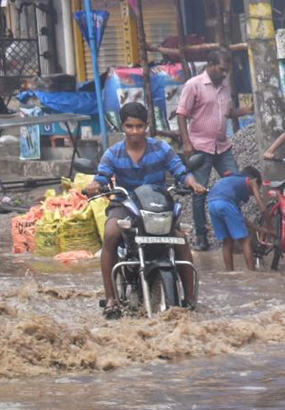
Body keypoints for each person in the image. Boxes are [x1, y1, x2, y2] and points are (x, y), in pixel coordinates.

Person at [85, 101, 206, 318]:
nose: (135, 131)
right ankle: (111, 299)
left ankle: (190, 300)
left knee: (181, 240)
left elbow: (180, 170)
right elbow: (102, 175)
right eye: (130, 126)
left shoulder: (162, 148)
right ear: (122, 127)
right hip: (126, 205)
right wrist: (96, 185)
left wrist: (192, 182)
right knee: (111, 234)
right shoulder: (113, 153)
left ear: (147, 126)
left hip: (158, 207)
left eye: (139, 126)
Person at [176, 50, 251, 251]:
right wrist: (186, 142)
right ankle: (201, 236)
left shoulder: (225, 87)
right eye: (221, 69)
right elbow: (181, 114)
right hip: (200, 146)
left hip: (222, 146)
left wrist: (244, 111)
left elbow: (227, 113)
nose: (224, 74)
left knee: (237, 184)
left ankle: (236, 233)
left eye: (226, 71)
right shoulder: (194, 85)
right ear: (210, 65)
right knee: (199, 192)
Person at [206, 166, 269, 272]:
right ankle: (252, 274)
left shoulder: (230, 182)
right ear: (256, 180)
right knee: (245, 240)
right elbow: (262, 208)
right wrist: (270, 227)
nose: (253, 193)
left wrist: (259, 229)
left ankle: (230, 273)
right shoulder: (251, 181)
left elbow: (239, 217)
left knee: (227, 241)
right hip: (225, 204)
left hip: (211, 205)